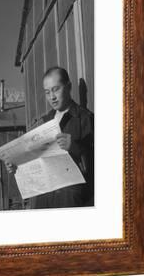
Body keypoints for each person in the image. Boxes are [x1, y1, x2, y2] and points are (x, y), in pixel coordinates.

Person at [7, 66, 94, 209]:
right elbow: (33, 160)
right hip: (42, 200)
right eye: (47, 92)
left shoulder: (85, 119)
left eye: (56, 89)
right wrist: (16, 164)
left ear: (69, 87)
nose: (52, 97)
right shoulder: (42, 123)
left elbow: (100, 167)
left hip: (70, 201)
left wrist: (75, 147)